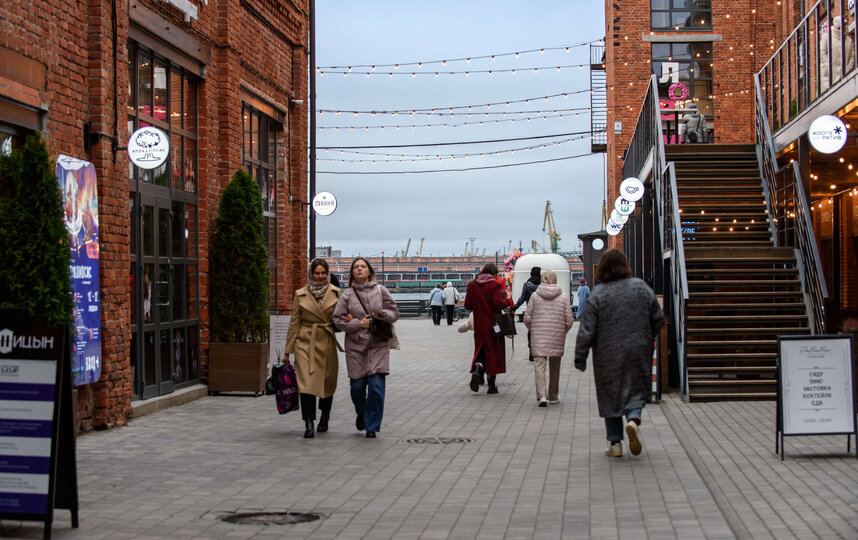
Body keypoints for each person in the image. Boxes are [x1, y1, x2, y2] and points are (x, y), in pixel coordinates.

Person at [574, 249, 664, 458]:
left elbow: (586, 330)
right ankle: (633, 420)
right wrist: (648, 335)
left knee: (610, 394)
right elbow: (658, 318)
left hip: (607, 353)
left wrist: (581, 357)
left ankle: (615, 444)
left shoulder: (598, 294)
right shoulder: (641, 288)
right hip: (639, 349)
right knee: (636, 388)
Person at [333, 257, 399, 439]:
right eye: (356, 267)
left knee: (376, 387)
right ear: (352, 273)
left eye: (363, 266)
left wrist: (384, 314)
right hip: (356, 347)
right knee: (357, 387)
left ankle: (372, 426)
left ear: (369, 271)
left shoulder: (381, 290)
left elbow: (395, 313)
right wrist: (357, 324)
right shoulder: (346, 295)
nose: (360, 269)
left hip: (378, 344)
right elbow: (337, 320)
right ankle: (361, 412)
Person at [284, 259, 343, 439]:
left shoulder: (336, 293)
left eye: (323, 273)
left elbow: (340, 318)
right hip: (305, 341)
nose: (320, 277)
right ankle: (308, 422)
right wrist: (287, 351)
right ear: (311, 274)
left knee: (327, 382)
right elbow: (294, 322)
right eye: (316, 273)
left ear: (327, 274)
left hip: (326, 339)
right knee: (306, 384)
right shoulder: (300, 294)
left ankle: (325, 415)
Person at [524, 270, 574, 407]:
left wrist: (533, 329)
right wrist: (563, 331)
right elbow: (569, 320)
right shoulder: (563, 297)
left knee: (539, 367)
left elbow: (527, 317)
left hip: (538, 336)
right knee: (555, 367)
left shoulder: (535, 296)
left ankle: (542, 396)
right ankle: (553, 395)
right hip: (557, 336)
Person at [464, 263, 509, 394]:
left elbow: (467, 305)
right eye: (496, 275)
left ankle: (478, 370)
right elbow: (498, 304)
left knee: (481, 350)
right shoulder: (494, 285)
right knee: (493, 353)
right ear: (492, 274)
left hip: (479, 325)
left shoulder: (472, 285)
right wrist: (507, 300)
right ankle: (491, 386)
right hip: (493, 324)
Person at [513, 266, 541, 361]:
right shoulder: (542, 285)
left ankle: (531, 350)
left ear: (531, 274)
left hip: (531, 312)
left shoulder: (527, 285)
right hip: (542, 312)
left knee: (531, 331)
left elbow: (522, 298)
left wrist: (514, 308)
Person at [820, 15, 856, 92]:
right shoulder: (827, 38)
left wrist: (848, 68)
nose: (845, 27)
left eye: (845, 25)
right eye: (843, 25)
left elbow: (852, 55)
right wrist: (828, 65)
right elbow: (822, 52)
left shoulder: (848, 40)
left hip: (844, 74)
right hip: (829, 77)